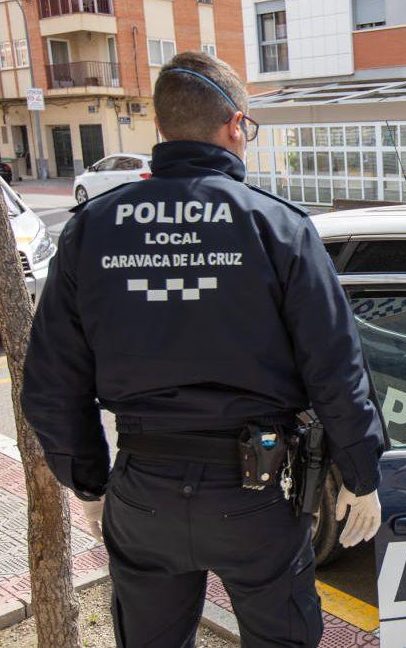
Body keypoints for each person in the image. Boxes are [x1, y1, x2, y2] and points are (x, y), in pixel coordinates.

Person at [21, 52, 384, 647]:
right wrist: (361, 472)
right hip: (255, 494)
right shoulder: (277, 226)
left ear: (160, 129)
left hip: (142, 490)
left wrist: (88, 483)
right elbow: (336, 369)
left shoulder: (91, 228)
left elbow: (50, 383)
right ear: (236, 125)